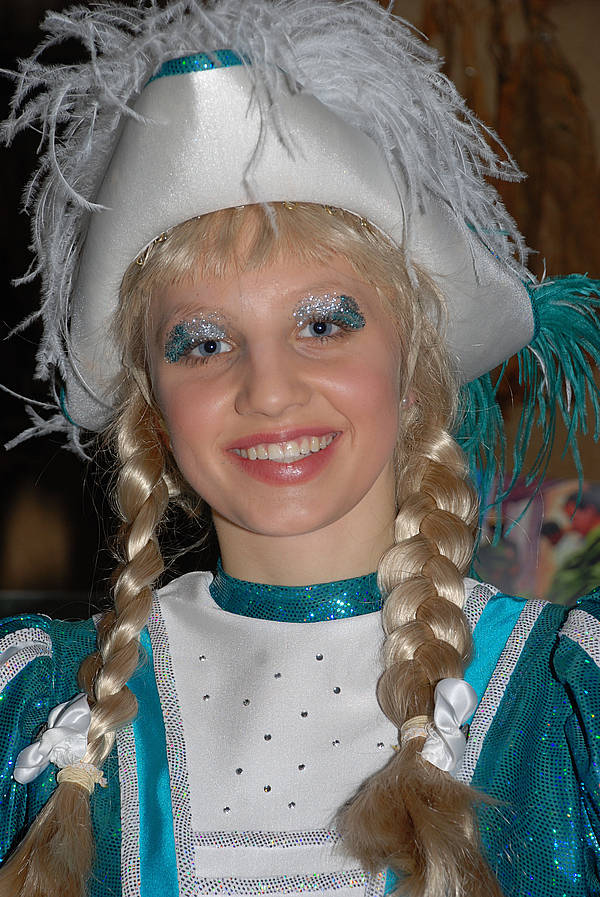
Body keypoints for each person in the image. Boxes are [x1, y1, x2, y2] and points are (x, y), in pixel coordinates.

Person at [1, 2, 599, 896]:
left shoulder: (568, 703)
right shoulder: (34, 710)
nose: (269, 389)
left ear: (412, 368)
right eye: (203, 342)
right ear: (153, 407)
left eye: (322, 323)